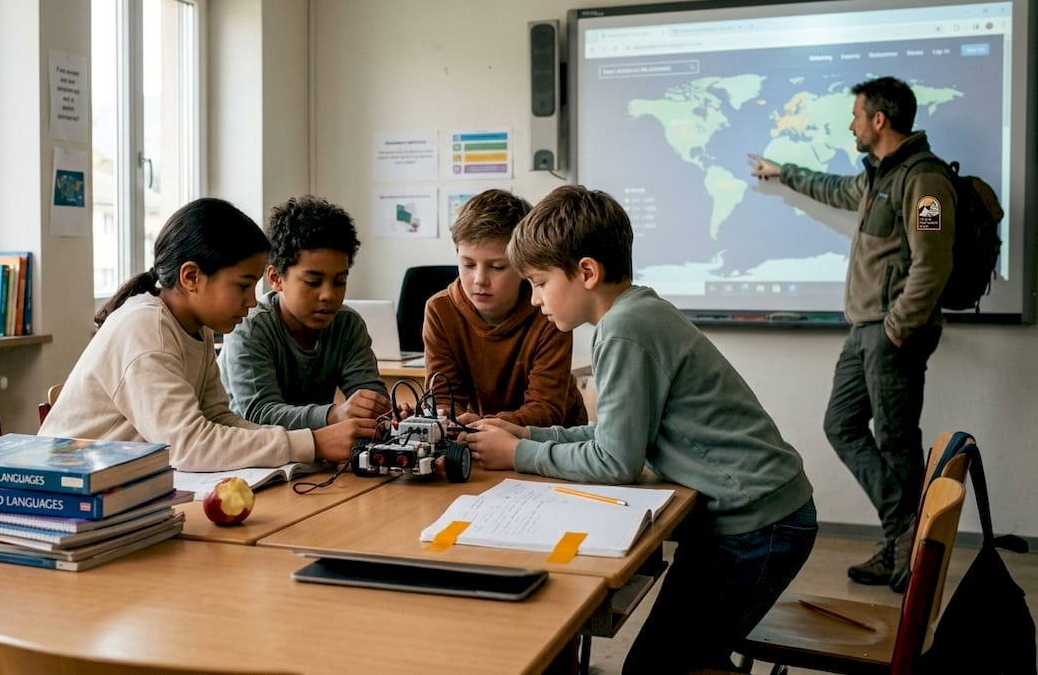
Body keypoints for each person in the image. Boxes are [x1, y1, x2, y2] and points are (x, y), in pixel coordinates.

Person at [464, 185, 817, 675]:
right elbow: (610, 437)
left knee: (657, 666)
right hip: (753, 517)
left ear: (586, 272)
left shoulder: (625, 330)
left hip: (757, 527)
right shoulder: (635, 313)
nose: (535, 298)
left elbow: (615, 462)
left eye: (540, 282)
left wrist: (517, 456)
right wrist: (526, 438)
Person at [749, 76, 955, 592]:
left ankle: (906, 549)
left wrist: (896, 330)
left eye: (857, 115)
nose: (852, 124)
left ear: (879, 120)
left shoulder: (924, 181)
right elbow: (834, 188)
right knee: (842, 425)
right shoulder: (878, 176)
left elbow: (933, 264)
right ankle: (904, 533)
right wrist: (783, 173)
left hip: (889, 334)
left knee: (896, 441)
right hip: (866, 330)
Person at [40, 198, 373, 472]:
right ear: (191, 277)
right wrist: (311, 443)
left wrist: (308, 442)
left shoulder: (194, 327)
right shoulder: (145, 328)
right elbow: (189, 445)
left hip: (119, 489)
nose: (252, 300)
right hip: (62, 495)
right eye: (243, 285)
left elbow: (218, 419)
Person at [220, 195, 392, 432]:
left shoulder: (347, 324)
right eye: (313, 282)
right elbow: (259, 413)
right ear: (276, 279)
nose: (328, 295)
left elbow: (369, 394)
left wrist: (378, 409)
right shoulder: (250, 326)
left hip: (312, 455)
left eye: (340, 281)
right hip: (250, 457)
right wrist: (333, 414)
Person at [423, 189, 586, 428]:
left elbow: (545, 410)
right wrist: (461, 424)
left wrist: (483, 425)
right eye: (467, 264)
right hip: (480, 437)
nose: (479, 279)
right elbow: (442, 401)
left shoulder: (548, 309)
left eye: (497, 267)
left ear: (523, 266)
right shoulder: (440, 310)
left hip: (556, 442)